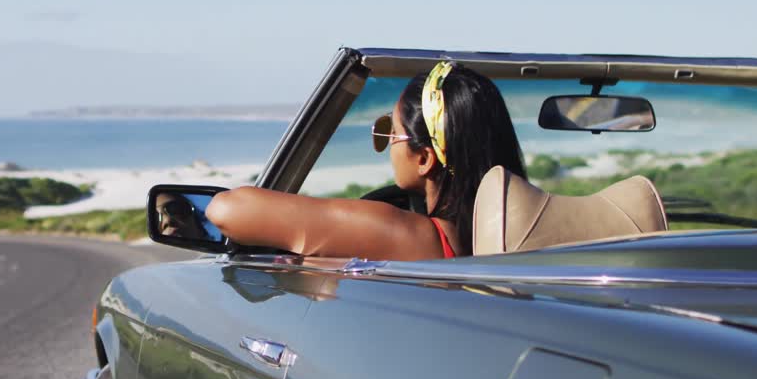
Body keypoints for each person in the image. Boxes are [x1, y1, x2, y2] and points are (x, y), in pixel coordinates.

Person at [205, 61, 526, 260]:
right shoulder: (521, 236)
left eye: (393, 132)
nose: (387, 144)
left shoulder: (409, 233)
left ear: (425, 159)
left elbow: (226, 209)